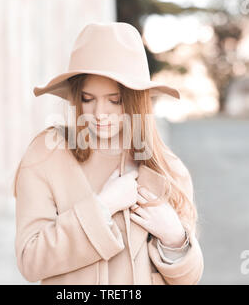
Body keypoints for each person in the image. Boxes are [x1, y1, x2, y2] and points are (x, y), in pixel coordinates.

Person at [12, 22, 204, 285]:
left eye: (115, 100)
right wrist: (103, 207)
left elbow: (188, 279)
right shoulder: (47, 154)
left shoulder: (168, 168)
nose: (100, 113)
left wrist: (174, 239)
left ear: (135, 99)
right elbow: (29, 259)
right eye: (88, 99)